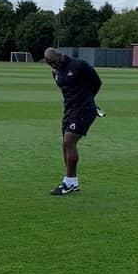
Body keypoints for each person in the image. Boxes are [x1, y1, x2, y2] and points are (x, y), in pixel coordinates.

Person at [43, 47, 102, 195]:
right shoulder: (55, 72)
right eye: (50, 64)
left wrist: (88, 101)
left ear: (60, 56)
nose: (53, 66)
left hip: (84, 109)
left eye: (54, 63)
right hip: (69, 110)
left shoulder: (79, 65)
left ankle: (68, 182)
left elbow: (97, 83)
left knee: (69, 141)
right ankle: (72, 182)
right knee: (65, 143)